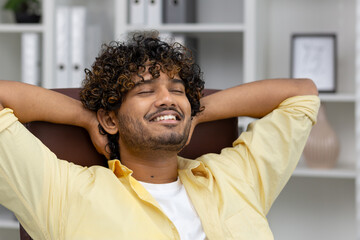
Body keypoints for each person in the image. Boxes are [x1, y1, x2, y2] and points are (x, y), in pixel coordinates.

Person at [0, 32, 319, 239]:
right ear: (111, 118)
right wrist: (83, 117)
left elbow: (301, 95)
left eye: (177, 90)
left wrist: (196, 110)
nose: (167, 98)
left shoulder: (235, 177)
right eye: (146, 90)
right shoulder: (63, 192)